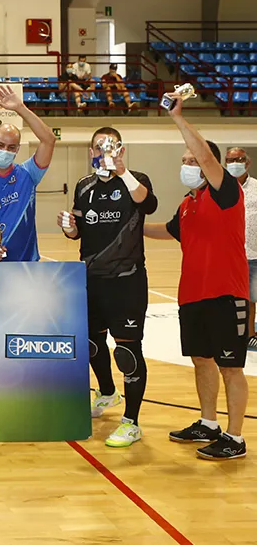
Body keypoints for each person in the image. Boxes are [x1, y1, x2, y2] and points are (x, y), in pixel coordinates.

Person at [144, 96, 249, 460]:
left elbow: (205, 155)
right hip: (192, 296)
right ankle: (208, 422)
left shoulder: (226, 193)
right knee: (201, 360)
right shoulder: (187, 204)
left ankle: (235, 438)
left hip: (226, 294)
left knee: (230, 367)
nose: (189, 165)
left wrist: (178, 118)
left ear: (210, 165)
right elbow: (166, 230)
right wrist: (125, 225)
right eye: (184, 161)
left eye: (193, 160)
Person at [58, 126, 156, 448]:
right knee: (92, 344)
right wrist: (70, 229)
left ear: (120, 150)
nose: (103, 151)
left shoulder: (135, 181)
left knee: (127, 351)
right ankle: (107, 393)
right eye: (98, 146)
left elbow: (148, 204)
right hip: (89, 279)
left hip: (126, 281)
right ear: (90, 152)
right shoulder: (84, 186)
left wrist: (122, 170)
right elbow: (79, 232)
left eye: (110, 146)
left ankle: (132, 422)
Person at [0, 85, 57, 262]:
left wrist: (20, 109)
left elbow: (49, 139)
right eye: (0, 145)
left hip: (27, 267)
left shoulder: (28, 174)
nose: (5, 151)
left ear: (17, 150)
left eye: (11, 147)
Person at [224, 147, 257, 349]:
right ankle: (229, 332)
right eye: (229, 159)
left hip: (253, 252)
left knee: (251, 297)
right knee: (228, 297)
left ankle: (250, 334)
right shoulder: (222, 188)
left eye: (238, 159)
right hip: (228, 254)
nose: (234, 163)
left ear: (248, 162)